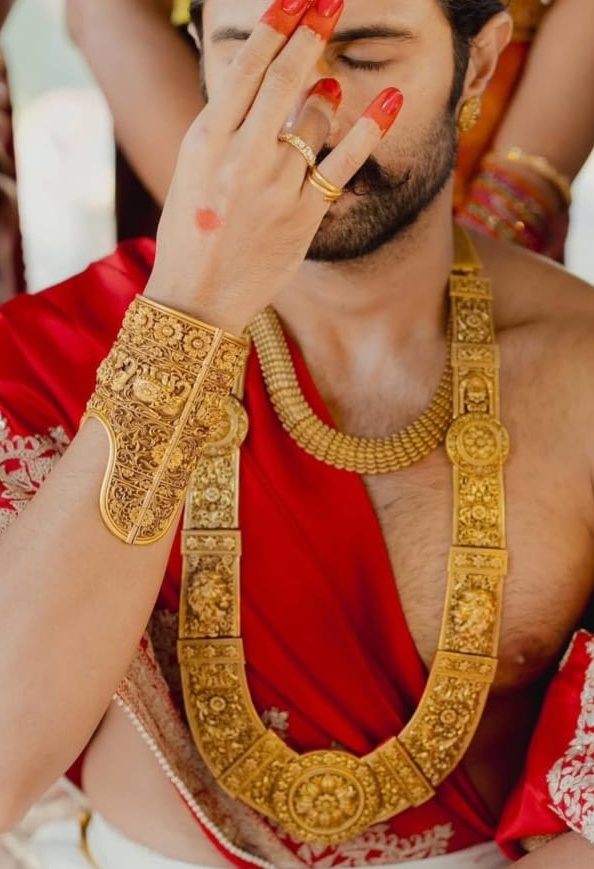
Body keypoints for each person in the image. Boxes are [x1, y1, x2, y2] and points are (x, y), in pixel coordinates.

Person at [1, 1, 594, 867]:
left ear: (477, 65)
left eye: (365, 53)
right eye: (256, 51)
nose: (304, 113)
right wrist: (192, 315)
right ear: (201, 52)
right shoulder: (52, 356)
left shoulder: (578, 369)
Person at [66, 0, 594, 256]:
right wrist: (230, 225)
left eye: (362, 57)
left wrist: (504, 217)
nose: (312, 121)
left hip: (500, 117)